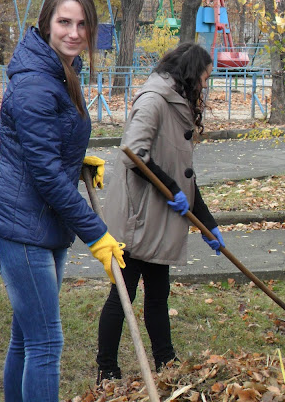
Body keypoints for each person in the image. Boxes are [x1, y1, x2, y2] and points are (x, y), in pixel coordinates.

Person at [0, 0, 126, 402]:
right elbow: (44, 175)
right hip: (21, 229)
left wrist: (78, 160)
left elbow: (45, 149)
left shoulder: (60, 71)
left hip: (42, 224)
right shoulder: (35, 85)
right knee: (46, 343)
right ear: (46, 23)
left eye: (83, 24)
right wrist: (97, 234)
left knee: (27, 338)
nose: (74, 32)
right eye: (64, 22)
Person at [95, 42, 225, 382]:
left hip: (157, 220)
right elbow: (133, 154)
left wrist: (209, 225)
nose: (205, 86)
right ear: (189, 74)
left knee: (158, 293)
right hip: (136, 218)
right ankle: (106, 369)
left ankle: (166, 361)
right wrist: (170, 189)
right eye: (204, 78)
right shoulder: (154, 101)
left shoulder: (178, 106)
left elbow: (185, 177)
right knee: (123, 294)